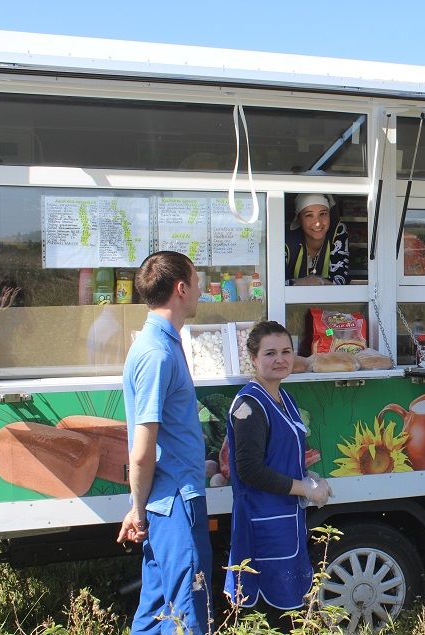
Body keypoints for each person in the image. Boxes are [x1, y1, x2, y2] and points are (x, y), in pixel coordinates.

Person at [116, 251, 212, 634]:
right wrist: (137, 510)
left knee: (156, 613)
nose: (201, 289)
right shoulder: (157, 353)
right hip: (175, 504)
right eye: (197, 281)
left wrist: (139, 506)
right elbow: (142, 449)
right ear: (181, 288)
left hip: (165, 500)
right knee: (188, 614)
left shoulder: (162, 343)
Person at [224, 320, 331, 618]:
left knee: (293, 609)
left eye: (286, 351)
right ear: (253, 358)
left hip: (285, 520)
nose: (280, 359)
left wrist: (307, 475)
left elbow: (279, 454)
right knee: (270, 615)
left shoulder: (285, 398)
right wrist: (305, 489)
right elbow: (249, 470)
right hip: (261, 522)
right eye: (270, 353)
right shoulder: (249, 405)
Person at [284, 193, 351, 286]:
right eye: (309, 215)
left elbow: (340, 280)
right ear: (299, 219)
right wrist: (305, 282)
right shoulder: (286, 240)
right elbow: (275, 283)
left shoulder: (337, 233)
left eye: (323, 214)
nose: (318, 223)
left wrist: (316, 282)